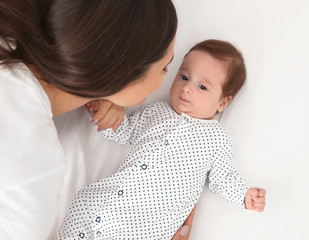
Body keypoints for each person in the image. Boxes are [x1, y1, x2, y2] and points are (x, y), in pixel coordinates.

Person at [0, 1, 191, 239]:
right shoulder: (35, 168)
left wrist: (102, 90)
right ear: (121, 77)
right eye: (165, 67)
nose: (167, 77)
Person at [57, 40, 267, 240]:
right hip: (100, 202)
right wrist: (104, 116)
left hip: (144, 227)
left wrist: (244, 194)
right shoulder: (157, 111)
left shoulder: (217, 139)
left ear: (223, 101)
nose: (187, 88)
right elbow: (127, 131)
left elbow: (223, 177)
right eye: (184, 77)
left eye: (202, 87)